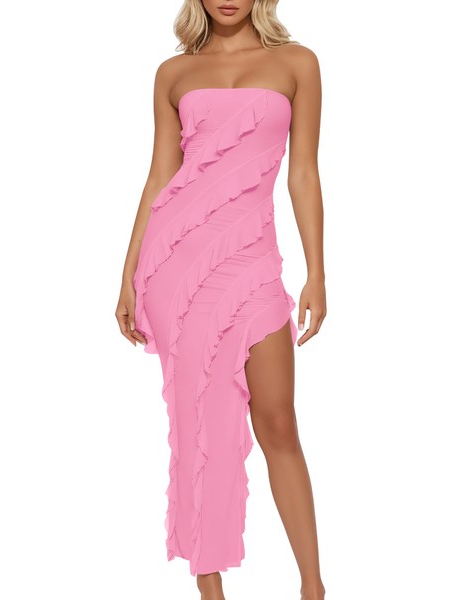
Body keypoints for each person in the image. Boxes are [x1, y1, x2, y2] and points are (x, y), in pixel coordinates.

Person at [115, 1, 326, 598]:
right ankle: (211, 593)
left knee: (278, 421)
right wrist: (128, 273)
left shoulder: (298, 63)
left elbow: (304, 173)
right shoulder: (172, 73)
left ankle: (313, 588)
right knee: (196, 425)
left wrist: (316, 272)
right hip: (177, 267)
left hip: (253, 261)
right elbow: (160, 176)